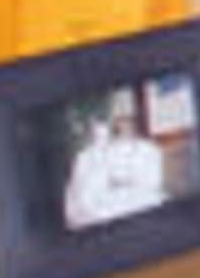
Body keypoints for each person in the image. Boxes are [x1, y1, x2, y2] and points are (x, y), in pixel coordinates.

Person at [63, 91, 168, 229]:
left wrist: (119, 183)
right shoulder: (85, 157)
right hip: (100, 211)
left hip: (136, 204)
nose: (125, 125)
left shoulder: (150, 149)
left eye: (129, 119)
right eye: (121, 120)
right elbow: (84, 200)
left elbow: (151, 185)